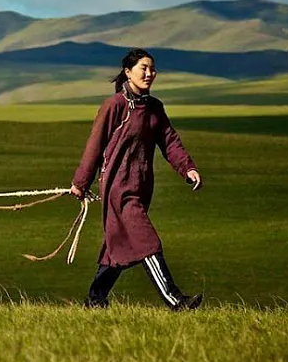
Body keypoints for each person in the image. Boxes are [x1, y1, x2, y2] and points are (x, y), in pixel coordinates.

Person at [70, 48, 204, 310]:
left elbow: (169, 141)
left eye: (152, 69)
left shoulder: (154, 108)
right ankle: (176, 301)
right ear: (128, 72)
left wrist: (187, 168)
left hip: (141, 189)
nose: (149, 73)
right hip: (118, 190)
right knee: (147, 241)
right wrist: (81, 183)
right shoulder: (115, 106)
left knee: (116, 248)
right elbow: (94, 146)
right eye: (143, 68)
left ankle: (95, 300)